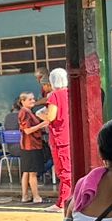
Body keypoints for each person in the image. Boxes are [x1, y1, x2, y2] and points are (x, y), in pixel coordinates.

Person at [44, 67, 72, 207]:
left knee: (64, 171)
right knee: (68, 169)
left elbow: (51, 116)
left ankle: (63, 202)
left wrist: (41, 114)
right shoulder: (71, 93)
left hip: (60, 137)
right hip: (70, 135)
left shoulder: (55, 96)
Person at [15, 91, 46, 204]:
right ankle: (36, 196)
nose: (33, 101)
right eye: (30, 99)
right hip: (30, 145)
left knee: (27, 172)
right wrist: (42, 124)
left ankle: (25, 196)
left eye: (33, 99)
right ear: (23, 101)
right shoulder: (24, 113)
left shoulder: (28, 112)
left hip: (28, 145)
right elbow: (27, 130)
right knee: (32, 172)